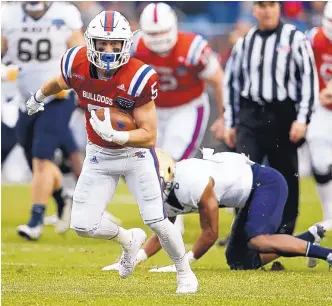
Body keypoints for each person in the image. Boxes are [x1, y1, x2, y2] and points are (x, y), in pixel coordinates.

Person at [24, 10, 198, 294]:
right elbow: (58, 82)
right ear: (91, 42)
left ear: (125, 44)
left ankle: (184, 272)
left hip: (135, 156)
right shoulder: (76, 62)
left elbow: (150, 135)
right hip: (99, 155)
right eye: (102, 44)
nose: (108, 50)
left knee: (157, 220)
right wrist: (39, 97)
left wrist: (118, 135)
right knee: (82, 225)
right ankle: (128, 239)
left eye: (114, 44)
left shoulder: (138, 76)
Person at [102, 148, 332, 272]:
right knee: (240, 262)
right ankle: (308, 238)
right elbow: (164, 231)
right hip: (247, 195)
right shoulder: (168, 189)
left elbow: (211, 232)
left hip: (265, 184)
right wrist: (135, 260)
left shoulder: (193, 183)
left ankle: (327, 254)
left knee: (258, 240)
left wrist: (183, 264)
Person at [223, 1, 319, 236]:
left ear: (279, 8)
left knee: (285, 176)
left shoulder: (295, 39)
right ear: (254, 9)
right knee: (244, 176)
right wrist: (230, 122)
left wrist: (303, 119)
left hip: (282, 117)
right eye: (261, 5)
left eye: (272, 4)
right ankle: (243, 235)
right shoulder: (244, 42)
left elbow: (309, 79)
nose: (267, 10)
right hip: (250, 115)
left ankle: (283, 235)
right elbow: (232, 82)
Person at [133, 2, 225, 233]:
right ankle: (167, 213)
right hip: (152, 108)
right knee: (151, 162)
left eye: (162, 32)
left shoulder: (193, 47)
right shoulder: (135, 46)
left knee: (172, 158)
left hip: (187, 107)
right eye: (153, 34)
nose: (159, 39)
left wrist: (224, 117)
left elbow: (218, 80)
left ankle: (174, 217)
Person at [1, 1, 85, 238]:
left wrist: (71, 80)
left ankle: (35, 222)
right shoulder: (8, 15)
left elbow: (80, 56)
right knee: (38, 160)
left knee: (41, 157)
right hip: (24, 98)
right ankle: (62, 197)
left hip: (58, 97)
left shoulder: (65, 13)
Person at [305, 2, 332, 267]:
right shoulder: (312, 38)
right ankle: (328, 217)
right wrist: (316, 93)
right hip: (322, 107)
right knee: (320, 158)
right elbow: (301, 70)